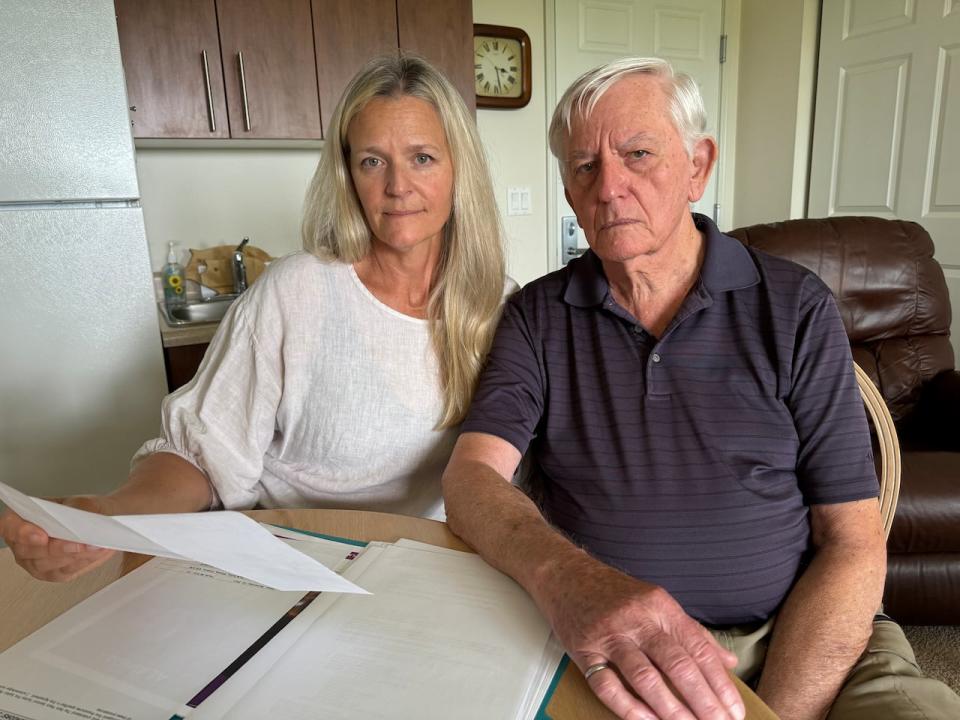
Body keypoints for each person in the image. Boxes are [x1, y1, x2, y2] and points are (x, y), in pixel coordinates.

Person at [441, 57, 960, 720]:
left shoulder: (796, 308)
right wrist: (569, 583)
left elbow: (854, 543)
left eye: (637, 154)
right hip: (615, 642)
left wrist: (777, 711)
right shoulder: (538, 317)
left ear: (698, 167)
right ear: (569, 194)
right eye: (584, 166)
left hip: (802, 633)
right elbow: (470, 480)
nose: (609, 187)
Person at [1, 55, 509, 582]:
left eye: (422, 158)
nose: (397, 186)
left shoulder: (499, 308)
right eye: (372, 161)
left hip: (424, 571)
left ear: (459, 169)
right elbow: (200, 453)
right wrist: (111, 514)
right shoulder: (296, 291)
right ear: (349, 174)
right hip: (290, 562)